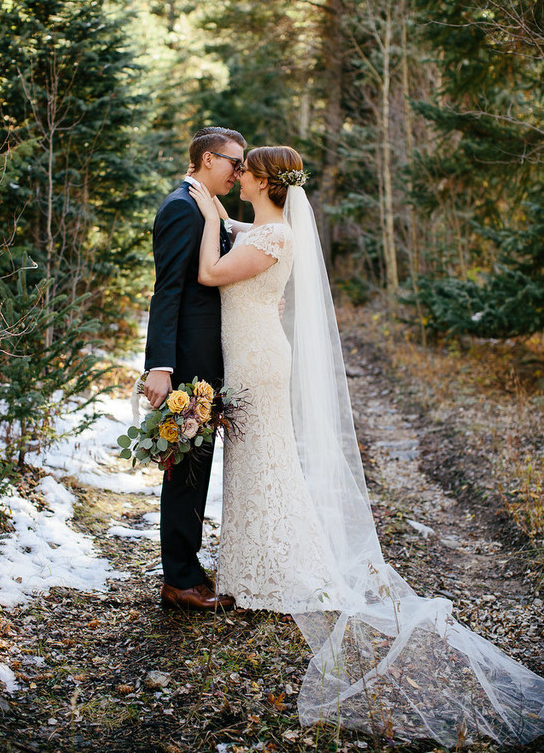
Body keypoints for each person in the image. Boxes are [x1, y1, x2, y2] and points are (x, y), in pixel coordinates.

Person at [188, 146, 544, 747]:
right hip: (249, 353)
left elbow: (210, 275)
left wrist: (205, 220)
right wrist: (220, 218)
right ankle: (250, 568)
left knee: (266, 460)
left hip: (256, 358)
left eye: (244, 169)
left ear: (263, 181)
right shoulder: (267, 227)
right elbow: (239, 232)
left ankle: (277, 567)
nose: (237, 173)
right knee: (255, 460)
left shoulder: (273, 237)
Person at [143, 126, 246, 612]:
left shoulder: (202, 206)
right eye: (234, 163)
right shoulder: (181, 208)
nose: (239, 172)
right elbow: (167, 291)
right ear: (208, 159)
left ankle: (188, 568)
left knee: (196, 467)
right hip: (187, 363)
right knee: (184, 467)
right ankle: (179, 579)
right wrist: (160, 367)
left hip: (207, 359)